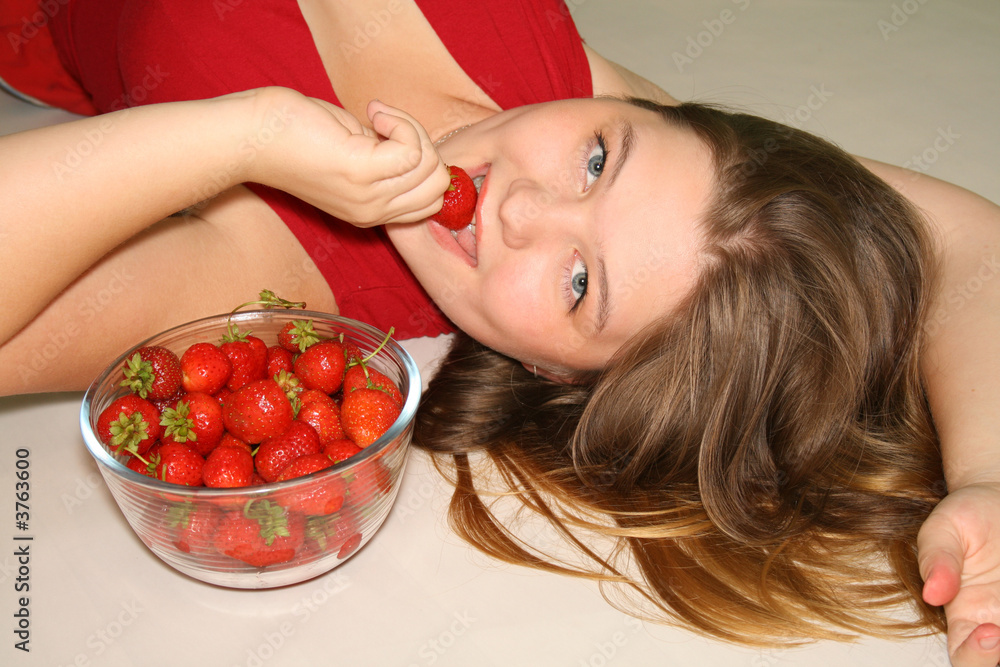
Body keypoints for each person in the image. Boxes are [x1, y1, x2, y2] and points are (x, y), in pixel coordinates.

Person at [0, 0, 997, 663]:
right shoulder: (550, 63)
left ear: (548, 371)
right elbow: (960, 243)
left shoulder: (293, 262)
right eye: (600, 160)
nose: (522, 205)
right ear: (645, 106)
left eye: (576, 282)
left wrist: (243, 132)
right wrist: (990, 477)